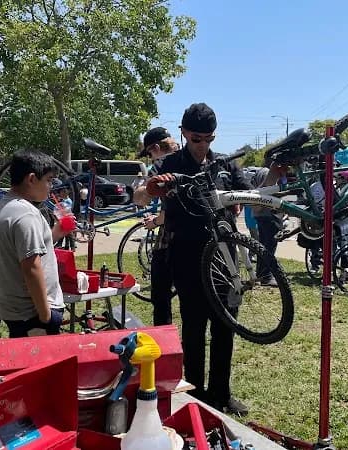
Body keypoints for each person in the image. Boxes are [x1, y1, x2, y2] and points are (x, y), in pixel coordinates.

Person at [140, 103, 251, 415]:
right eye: (197, 139)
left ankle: (221, 392)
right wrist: (150, 190)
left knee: (225, 326)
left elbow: (248, 194)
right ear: (184, 133)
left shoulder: (225, 166)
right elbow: (143, 193)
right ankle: (196, 394)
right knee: (193, 327)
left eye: (209, 139)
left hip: (225, 260)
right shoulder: (170, 163)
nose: (203, 145)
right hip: (187, 258)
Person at [0, 150, 70, 337]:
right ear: (32, 179)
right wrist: (45, 316)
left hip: (19, 312)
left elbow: (25, 248)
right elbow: (31, 267)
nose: (51, 187)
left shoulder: (9, 206)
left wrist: (55, 233)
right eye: (49, 180)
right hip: (32, 315)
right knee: (41, 366)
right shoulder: (26, 214)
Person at [135, 126, 179, 326]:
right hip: (202, 239)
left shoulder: (162, 165)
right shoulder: (193, 157)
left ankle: (163, 342)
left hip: (171, 239)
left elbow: (142, 200)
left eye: (150, 153)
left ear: (155, 147)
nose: (151, 158)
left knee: (160, 296)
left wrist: (153, 221)